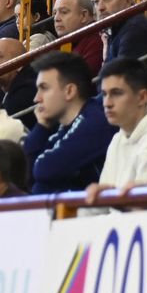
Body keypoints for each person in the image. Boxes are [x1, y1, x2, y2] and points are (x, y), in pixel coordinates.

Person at [87, 59, 147, 199]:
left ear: (142, 97)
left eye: (116, 93)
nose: (107, 103)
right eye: (104, 94)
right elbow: (103, 199)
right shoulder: (118, 138)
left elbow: (145, 205)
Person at [23, 51, 112, 196]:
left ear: (69, 91)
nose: (36, 98)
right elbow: (27, 172)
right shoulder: (63, 125)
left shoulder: (94, 121)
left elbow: (43, 169)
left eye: (44, 88)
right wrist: (42, 126)